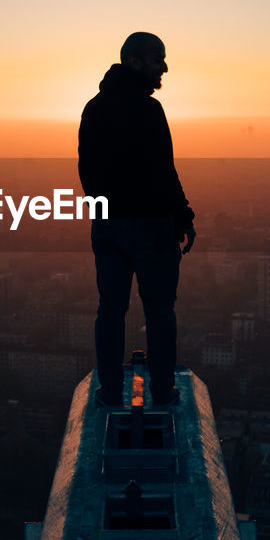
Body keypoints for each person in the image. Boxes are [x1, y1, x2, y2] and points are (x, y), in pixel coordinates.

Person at [78, 32, 196, 407]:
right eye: (157, 58)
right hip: (150, 227)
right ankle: (161, 392)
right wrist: (183, 217)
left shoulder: (93, 108)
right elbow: (165, 172)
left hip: (109, 227)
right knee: (159, 310)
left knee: (110, 310)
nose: (164, 66)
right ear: (134, 62)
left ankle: (110, 391)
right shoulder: (148, 110)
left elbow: (86, 173)